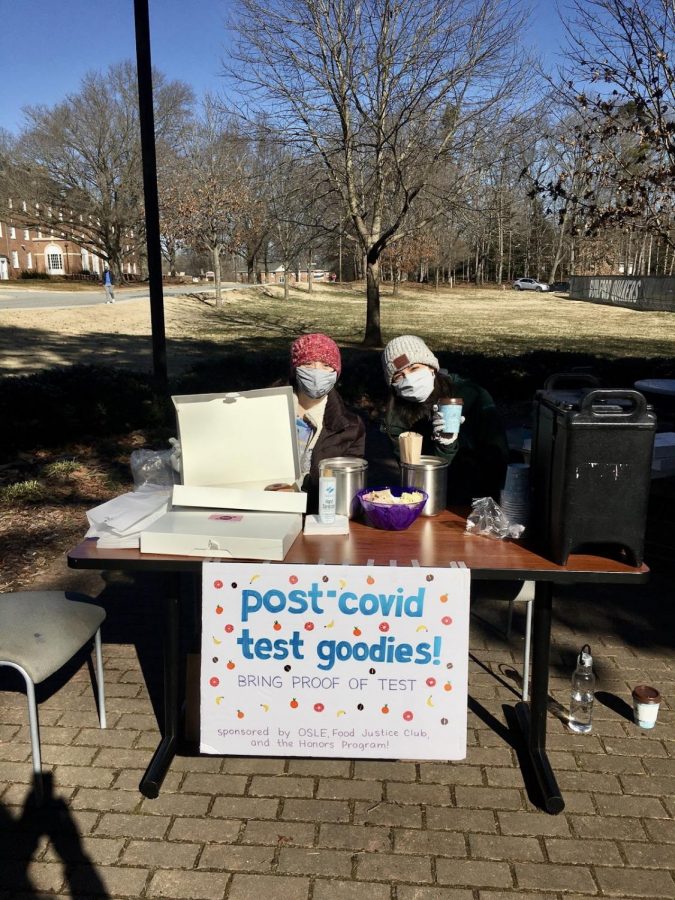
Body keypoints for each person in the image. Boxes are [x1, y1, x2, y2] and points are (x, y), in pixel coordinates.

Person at [381, 335, 508, 504]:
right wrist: (444, 448)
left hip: (480, 500)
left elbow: (499, 460)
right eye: (399, 376)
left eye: (414, 369)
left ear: (431, 367)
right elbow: (414, 476)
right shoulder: (395, 417)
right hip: (429, 499)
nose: (409, 379)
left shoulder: (472, 396)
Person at [288, 333, 365, 511]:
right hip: (269, 512)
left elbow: (347, 488)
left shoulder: (350, 427)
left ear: (336, 373)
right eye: (308, 364)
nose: (317, 372)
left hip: (321, 518)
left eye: (326, 365)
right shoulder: (266, 409)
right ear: (295, 369)